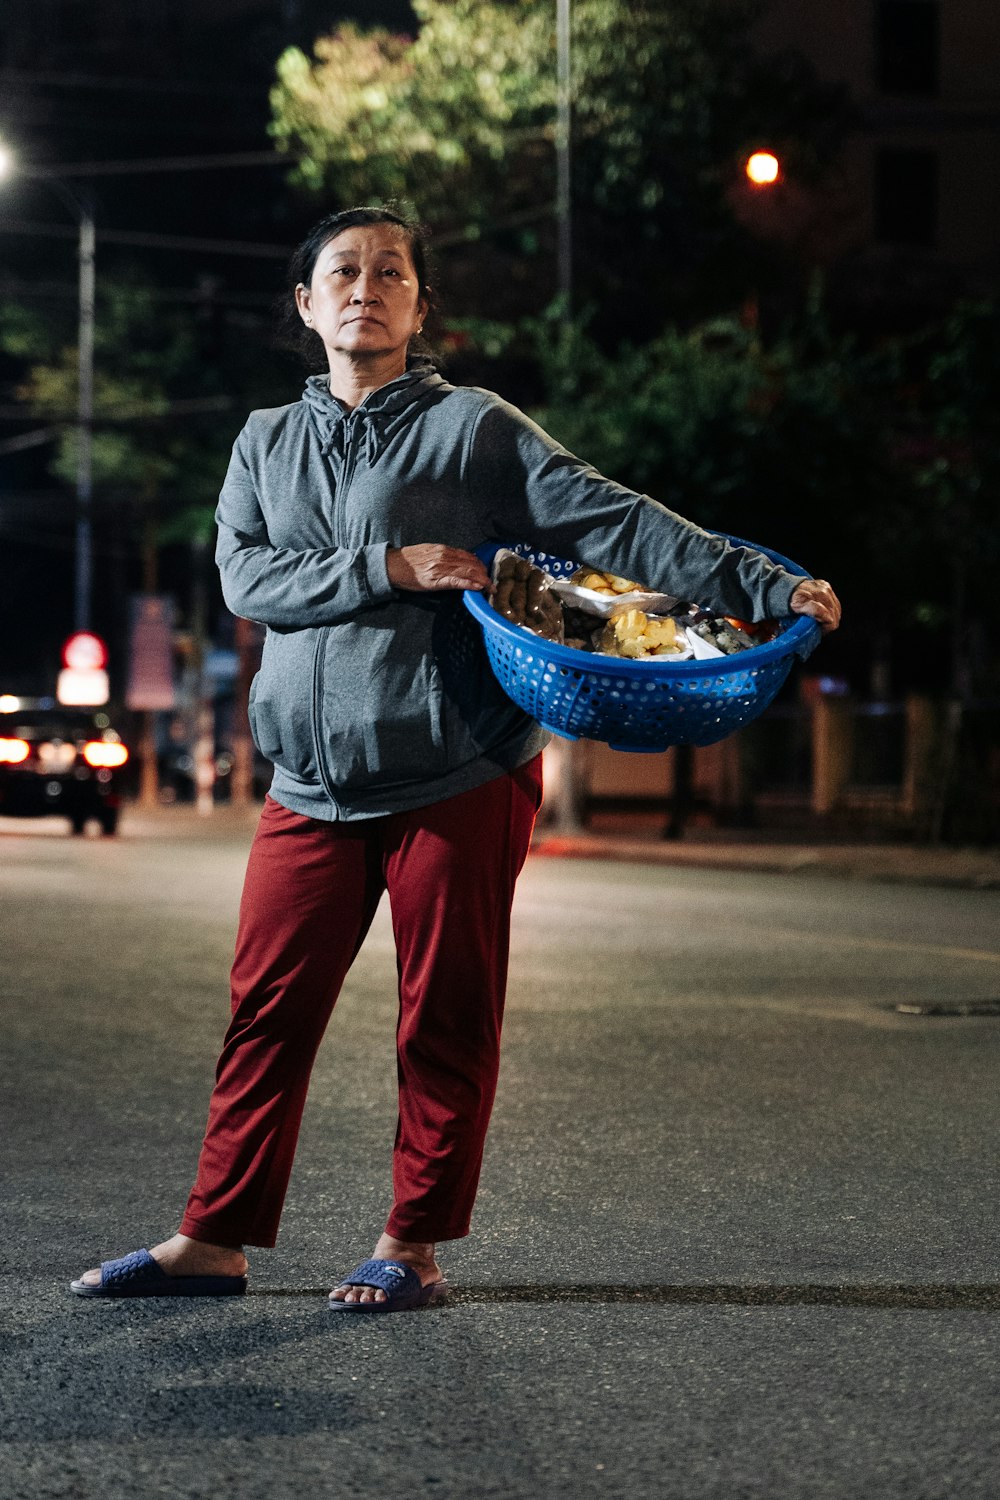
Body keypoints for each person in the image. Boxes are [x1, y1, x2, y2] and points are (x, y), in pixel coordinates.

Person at [71, 206, 841, 1310]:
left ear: (420, 306)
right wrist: (393, 563)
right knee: (266, 1011)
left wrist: (763, 586)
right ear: (305, 304)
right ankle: (215, 1238)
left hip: (456, 769)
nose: (365, 287)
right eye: (342, 271)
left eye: (392, 272)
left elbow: (613, 521)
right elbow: (249, 581)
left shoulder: (475, 429)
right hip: (308, 783)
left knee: (445, 1011)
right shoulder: (261, 443)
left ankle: (412, 1245)